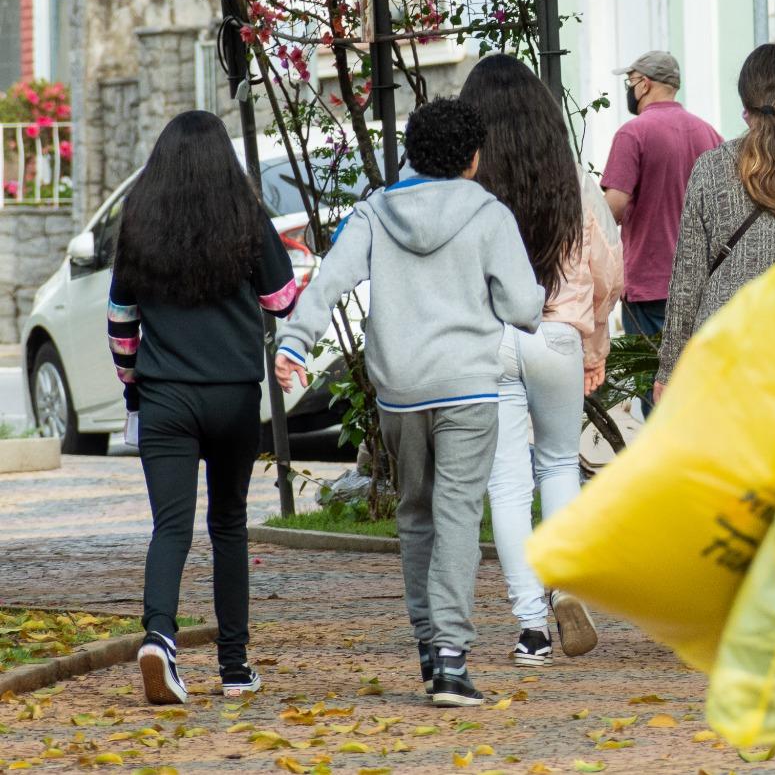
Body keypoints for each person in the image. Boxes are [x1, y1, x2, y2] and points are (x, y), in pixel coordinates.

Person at [273, 98, 544, 708]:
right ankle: (450, 660)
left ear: (413, 154)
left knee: (416, 513)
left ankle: (429, 646)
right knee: (455, 516)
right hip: (468, 389)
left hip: (399, 392)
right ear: (473, 158)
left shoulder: (374, 212)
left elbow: (331, 279)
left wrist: (293, 341)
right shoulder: (489, 215)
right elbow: (524, 308)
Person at [108, 110, 299, 705]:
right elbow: (281, 297)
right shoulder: (247, 217)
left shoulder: (138, 220)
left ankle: (159, 638)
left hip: (165, 395)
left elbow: (121, 321)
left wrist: (133, 385)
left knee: (170, 526)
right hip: (233, 394)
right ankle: (236, 667)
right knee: (229, 525)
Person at [459, 54, 624, 666]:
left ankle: (530, 628)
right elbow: (607, 273)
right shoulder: (572, 182)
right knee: (559, 466)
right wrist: (595, 345)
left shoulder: (467, 192)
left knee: (505, 485)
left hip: (494, 340)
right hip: (559, 337)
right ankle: (567, 590)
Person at [654, 44, 775, 401]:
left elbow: (687, 281)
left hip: (720, 353)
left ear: (745, 107)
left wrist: (669, 370)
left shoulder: (710, 169)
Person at [601, 50, 722, 412]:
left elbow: (614, 207)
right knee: (696, 390)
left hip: (649, 285)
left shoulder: (633, 133)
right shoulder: (710, 133)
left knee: (655, 392)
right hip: (702, 286)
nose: (629, 89)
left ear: (644, 83)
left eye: (630, 82)